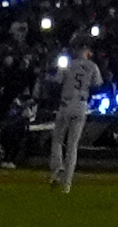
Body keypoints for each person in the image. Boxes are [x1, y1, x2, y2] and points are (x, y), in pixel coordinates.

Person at [41, 41, 96, 194]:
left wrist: (48, 74)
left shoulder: (69, 64)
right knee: (72, 146)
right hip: (81, 104)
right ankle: (67, 184)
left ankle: (57, 169)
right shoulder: (92, 66)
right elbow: (98, 83)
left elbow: (57, 81)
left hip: (66, 104)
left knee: (58, 139)